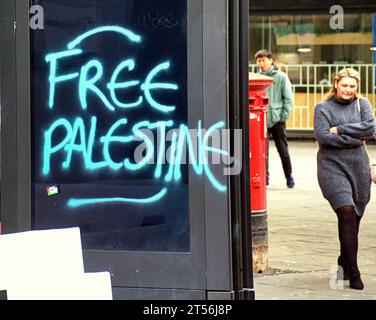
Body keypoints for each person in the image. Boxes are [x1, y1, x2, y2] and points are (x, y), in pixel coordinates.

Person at [314, 67, 376, 290]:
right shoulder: (322, 107)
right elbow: (322, 136)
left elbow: (370, 129)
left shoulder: (363, 104)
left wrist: (339, 130)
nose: (348, 89)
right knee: (346, 211)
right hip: (331, 168)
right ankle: (355, 272)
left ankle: (343, 262)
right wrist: (353, 139)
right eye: (344, 85)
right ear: (336, 83)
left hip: (358, 168)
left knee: (354, 219)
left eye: (352, 86)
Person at [255, 49, 295, 188]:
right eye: (258, 61)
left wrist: (283, 117)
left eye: (263, 60)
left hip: (277, 120)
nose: (261, 63)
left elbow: (288, 99)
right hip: (261, 120)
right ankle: (264, 178)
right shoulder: (256, 76)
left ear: (271, 60)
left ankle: (289, 176)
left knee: (283, 150)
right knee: (262, 152)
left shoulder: (281, 77)